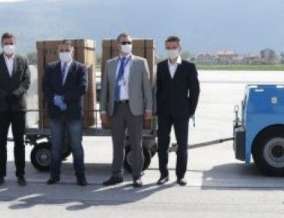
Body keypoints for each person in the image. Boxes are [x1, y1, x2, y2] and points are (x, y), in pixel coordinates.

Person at [99, 33, 153, 187]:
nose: (126, 45)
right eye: (123, 43)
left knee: (136, 143)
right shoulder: (110, 64)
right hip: (116, 108)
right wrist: (103, 110)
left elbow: (147, 88)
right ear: (118, 45)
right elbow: (105, 89)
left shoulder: (141, 63)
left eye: (129, 42)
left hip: (134, 108)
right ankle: (116, 174)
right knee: (117, 144)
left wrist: (149, 108)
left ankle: (137, 175)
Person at [155, 35, 200, 186]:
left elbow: (195, 90)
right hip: (164, 112)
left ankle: (181, 175)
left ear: (179, 48)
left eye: (174, 47)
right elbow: (158, 90)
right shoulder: (161, 66)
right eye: (168, 48)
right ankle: (163, 174)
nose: (171, 50)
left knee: (182, 145)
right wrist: (157, 108)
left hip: (182, 112)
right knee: (162, 144)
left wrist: (191, 110)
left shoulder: (189, 67)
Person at [42, 40, 89, 186]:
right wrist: (54, 98)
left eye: (67, 50)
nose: (64, 53)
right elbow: (45, 87)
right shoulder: (51, 68)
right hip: (55, 114)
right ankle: (54, 176)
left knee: (76, 146)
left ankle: (80, 176)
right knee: (56, 146)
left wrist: (63, 98)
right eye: (61, 50)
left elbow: (82, 87)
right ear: (58, 52)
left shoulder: (80, 68)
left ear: (72, 51)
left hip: (73, 114)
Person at [0, 32, 31, 186]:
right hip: (0, 107)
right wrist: (4, 95)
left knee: (19, 142)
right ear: (1, 44)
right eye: (6, 43)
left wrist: (16, 94)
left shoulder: (23, 60)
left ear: (15, 44)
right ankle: (0, 175)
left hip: (18, 107)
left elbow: (26, 81)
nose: (8, 45)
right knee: (1, 142)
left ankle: (21, 174)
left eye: (11, 43)